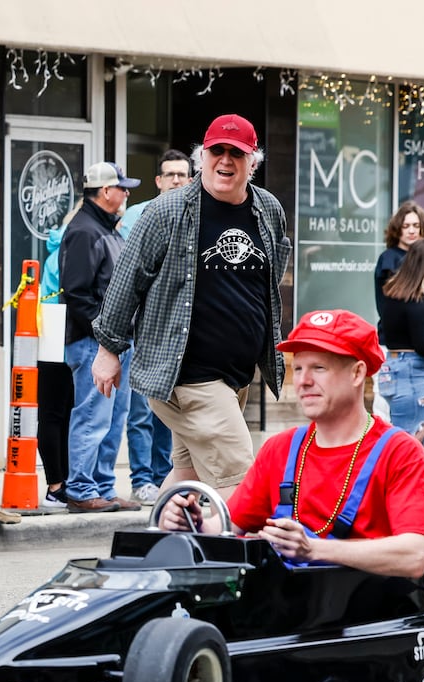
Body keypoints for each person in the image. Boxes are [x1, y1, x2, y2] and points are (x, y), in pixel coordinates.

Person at [160, 310, 424, 578]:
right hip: (289, 610)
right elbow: (225, 528)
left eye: (319, 368)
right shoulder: (280, 449)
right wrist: (193, 523)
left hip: (366, 614)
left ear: (357, 373)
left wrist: (314, 549)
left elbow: (414, 556)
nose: (303, 381)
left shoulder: (400, 452)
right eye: (298, 368)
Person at [91, 114, 292, 493]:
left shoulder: (267, 209)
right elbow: (126, 279)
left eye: (238, 153)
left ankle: (159, 545)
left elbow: (272, 272)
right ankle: (253, 551)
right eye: (218, 151)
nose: (226, 161)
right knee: (242, 482)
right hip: (187, 375)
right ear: (202, 157)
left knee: (188, 477)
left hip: (234, 376)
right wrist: (108, 349)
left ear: (254, 162)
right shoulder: (168, 211)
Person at [60, 162, 141, 514]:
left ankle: (104, 487)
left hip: (114, 342)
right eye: (122, 188)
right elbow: (77, 295)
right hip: (95, 343)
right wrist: (106, 338)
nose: (126, 194)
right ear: (105, 192)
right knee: (93, 416)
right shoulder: (84, 231)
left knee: (113, 417)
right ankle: (80, 488)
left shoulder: (106, 229)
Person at [116, 150, 192, 503]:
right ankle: (142, 479)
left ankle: (165, 477)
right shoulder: (137, 215)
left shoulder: (198, 216)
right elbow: (128, 276)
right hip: (143, 332)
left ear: (191, 178)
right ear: (158, 181)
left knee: (169, 413)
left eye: (182, 174)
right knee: (141, 412)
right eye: (170, 175)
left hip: (180, 335)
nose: (177, 180)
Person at [378, 237, 424, 446]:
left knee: (402, 439)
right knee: (414, 444)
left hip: (394, 367)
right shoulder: (417, 302)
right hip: (413, 372)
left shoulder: (393, 295)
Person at [39, 205, 76, 505]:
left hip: (52, 330)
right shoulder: (74, 246)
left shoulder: (60, 247)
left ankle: (59, 483)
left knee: (58, 413)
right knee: (56, 414)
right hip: (58, 330)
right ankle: (56, 486)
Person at [373, 201, 424, 322]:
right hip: (396, 333)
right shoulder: (389, 258)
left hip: (420, 329)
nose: (411, 231)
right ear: (397, 229)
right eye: (405, 226)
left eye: (416, 226)